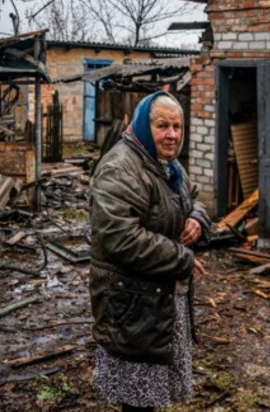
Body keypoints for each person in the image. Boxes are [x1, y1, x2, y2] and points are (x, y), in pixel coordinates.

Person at [89, 91, 210, 411]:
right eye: (162, 125)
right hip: (132, 303)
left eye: (177, 126)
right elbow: (120, 237)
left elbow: (193, 197)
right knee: (137, 398)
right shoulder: (120, 167)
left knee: (149, 397)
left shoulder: (167, 165)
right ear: (143, 124)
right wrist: (181, 257)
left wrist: (197, 218)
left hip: (157, 300)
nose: (172, 134)